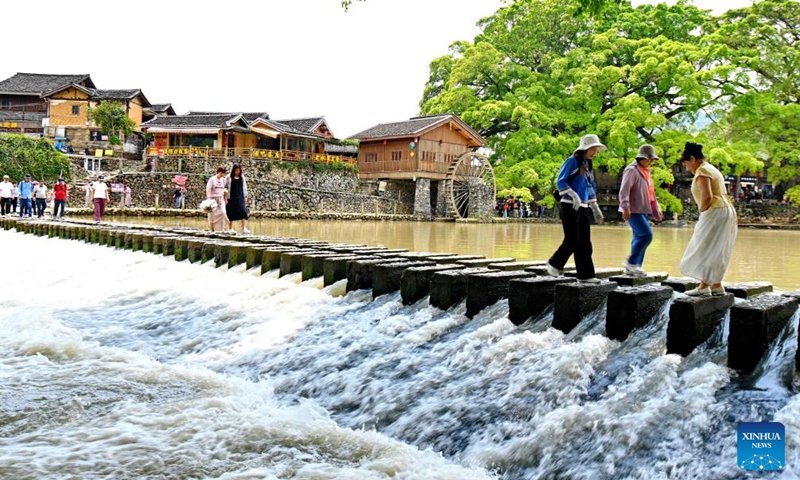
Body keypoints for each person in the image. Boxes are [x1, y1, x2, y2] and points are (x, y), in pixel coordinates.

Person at [679, 142, 738, 296]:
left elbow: (707, 197)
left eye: (685, 164)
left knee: (705, 245)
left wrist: (702, 211)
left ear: (692, 159)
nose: (687, 169)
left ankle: (704, 287)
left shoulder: (702, 171)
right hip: (725, 209)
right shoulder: (710, 167)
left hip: (716, 210)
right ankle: (715, 285)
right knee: (717, 247)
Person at [546, 134, 606, 283]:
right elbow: (561, 180)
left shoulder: (588, 165)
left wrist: (595, 208)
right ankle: (554, 264)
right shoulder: (572, 161)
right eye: (593, 149)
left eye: (596, 150)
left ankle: (586, 275)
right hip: (569, 205)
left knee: (585, 242)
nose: (595, 153)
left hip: (583, 206)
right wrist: (573, 194)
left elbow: (590, 187)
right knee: (572, 239)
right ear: (584, 148)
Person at [618, 144, 664, 276]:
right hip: (633, 210)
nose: (651, 162)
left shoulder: (646, 171)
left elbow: (651, 193)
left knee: (639, 236)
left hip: (644, 210)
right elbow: (624, 190)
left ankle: (635, 267)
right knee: (646, 235)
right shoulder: (631, 170)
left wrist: (656, 209)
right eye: (650, 159)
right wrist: (625, 207)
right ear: (642, 158)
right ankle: (632, 263)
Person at [226, 164, 250, 234]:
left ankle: (244, 228)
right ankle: (230, 228)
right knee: (230, 212)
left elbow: (244, 186)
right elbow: (225, 186)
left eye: (239, 170)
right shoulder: (229, 177)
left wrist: (246, 196)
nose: (237, 172)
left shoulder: (242, 177)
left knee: (243, 211)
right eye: (236, 170)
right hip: (231, 197)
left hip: (240, 196)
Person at [206, 167, 229, 232]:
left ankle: (222, 228)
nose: (222, 175)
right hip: (213, 198)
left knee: (223, 212)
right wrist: (209, 199)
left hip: (220, 198)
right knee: (211, 215)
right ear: (219, 172)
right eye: (222, 173)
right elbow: (208, 189)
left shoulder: (223, 180)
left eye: (223, 173)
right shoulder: (212, 179)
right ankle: (212, 228)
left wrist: (225, 195)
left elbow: (224, 188)